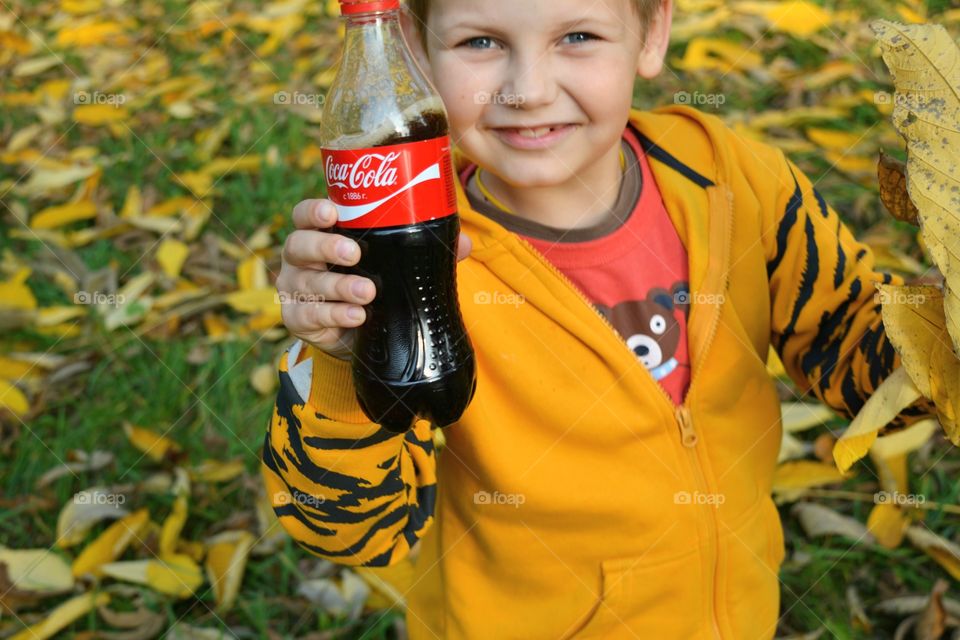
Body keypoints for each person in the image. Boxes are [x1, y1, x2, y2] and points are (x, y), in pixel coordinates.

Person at [261, 0, 936, 637]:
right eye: (481, 42)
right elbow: (358, 532)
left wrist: (942, 330)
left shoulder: (733, 178)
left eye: (577, 36)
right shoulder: (416, 263)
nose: (527, 89)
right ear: (412, 47)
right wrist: (344, 363)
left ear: (650, 32)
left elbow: (852, 354)